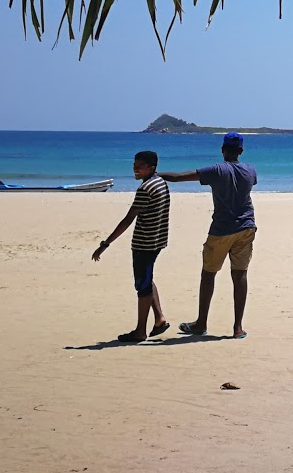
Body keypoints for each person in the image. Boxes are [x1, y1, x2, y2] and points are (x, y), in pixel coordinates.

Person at [158, 132, 256, 339]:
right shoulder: (250, 170)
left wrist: (153, 174)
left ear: (222, 150)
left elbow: (177, 178)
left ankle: (201, 323)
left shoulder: (216, 170)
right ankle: (238, 328)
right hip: (247, 227)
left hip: (222, 229)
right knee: (240, 276)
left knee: (208, 274)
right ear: (241, 151)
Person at [91, 150, 171, 342]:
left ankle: (140, 331)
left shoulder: (145, 189)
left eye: (139, 167)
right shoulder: (160, 182)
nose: (135, 169)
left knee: (142, 286)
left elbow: (127, 220)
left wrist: (105, 244)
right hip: (158, 240)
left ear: (151, 168)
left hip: (145, 243)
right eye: (134, 165)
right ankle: (159, 318)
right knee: (147, 278)